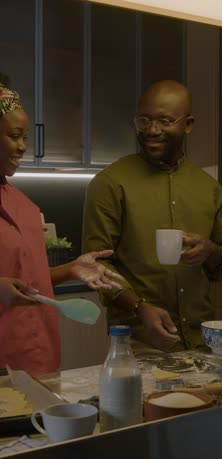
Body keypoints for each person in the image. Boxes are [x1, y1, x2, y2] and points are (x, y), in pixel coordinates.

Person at [82, 80, 222, 353]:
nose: (152, 130)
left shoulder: (208, 187)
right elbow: (97, 266)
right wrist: (139, 307)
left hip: (203, 340)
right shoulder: (110, 183)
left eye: (165, 121)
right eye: (144, 120)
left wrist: (211, 252)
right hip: (140, 344)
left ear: (187, 124)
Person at [0, 82, 123, 376]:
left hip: (37, 354)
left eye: (25, 137)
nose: (22, 146)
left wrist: (71, 269)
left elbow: (27, 280)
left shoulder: (23, 204)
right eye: (14, 136)